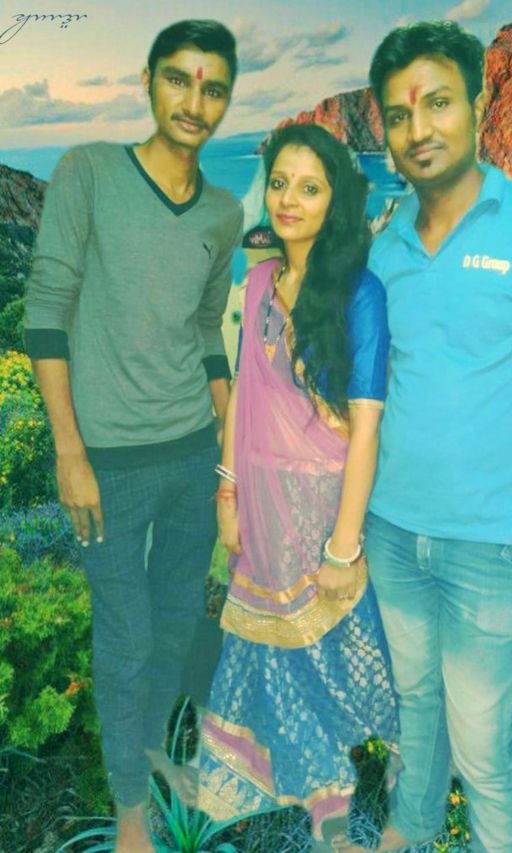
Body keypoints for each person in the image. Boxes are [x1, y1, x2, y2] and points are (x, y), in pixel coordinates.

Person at [340, 21, 512, 853]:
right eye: (398, 114)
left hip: (491, 543)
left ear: (481, 106)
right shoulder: (384, 249)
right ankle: (409, 834)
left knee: (485, 751)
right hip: (392, 532)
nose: (418, 129)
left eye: (439, 103)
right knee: (416, 715)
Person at [23, 19, 242, 853]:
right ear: (147, 80)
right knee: (126, 638)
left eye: (213, 87)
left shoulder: (224, 211)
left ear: (226, 99)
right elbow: (47, 310)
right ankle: (129, 814)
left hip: (193, 454)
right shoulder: (87, 171)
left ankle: (149, 755)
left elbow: (206, 328)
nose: (194, 101)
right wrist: (69, 451)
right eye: (179, 79)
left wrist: (229, 431)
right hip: (106, 462)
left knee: (179, 620)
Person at [197, 124, 399, 852]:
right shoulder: (257, 283)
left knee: (341, 647)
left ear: (335, 200)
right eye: (279, 182)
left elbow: (366, 429)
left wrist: (344, 547)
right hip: (261, 506)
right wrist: (227, 494)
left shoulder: (360, 294)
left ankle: (384, 761)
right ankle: (312, 790)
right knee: (273, 651)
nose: (288, 199)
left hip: (324, 511)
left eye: (309, 187)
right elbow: (243, 398)